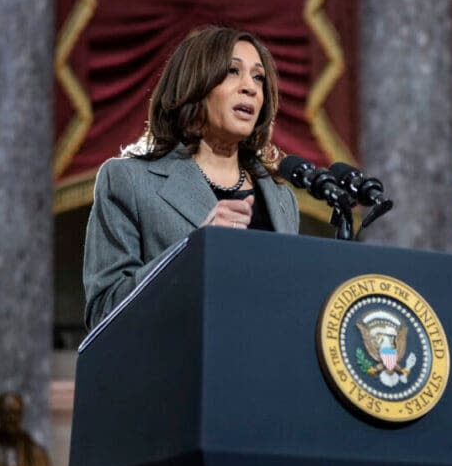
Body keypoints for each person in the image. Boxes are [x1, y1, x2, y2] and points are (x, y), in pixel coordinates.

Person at [83, 26, 300, 330]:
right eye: (232, 71)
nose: (250, 87)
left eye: (258, 77)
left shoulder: (281, 199)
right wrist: (192, 252)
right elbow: (104, 312)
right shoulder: (128, 182)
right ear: (194, 84)